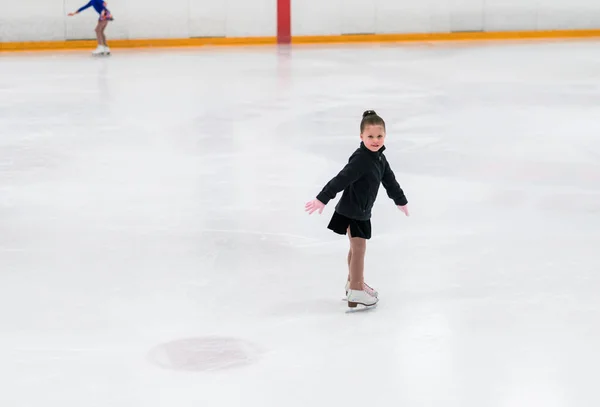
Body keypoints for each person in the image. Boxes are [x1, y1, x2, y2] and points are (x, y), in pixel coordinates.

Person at [305, 110, 409, 308]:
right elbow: (342, 179)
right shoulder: (362, 159)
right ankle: (356, 289)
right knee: (359, 248)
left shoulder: (379, 158)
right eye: (370, 136)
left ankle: (354, 283)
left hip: (360, 209)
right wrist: (322, 198)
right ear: (361, 137)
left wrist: (400, 200)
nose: (375, 140)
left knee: (355, 248)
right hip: (354, 210)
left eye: (379, 136)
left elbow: (390, 180)